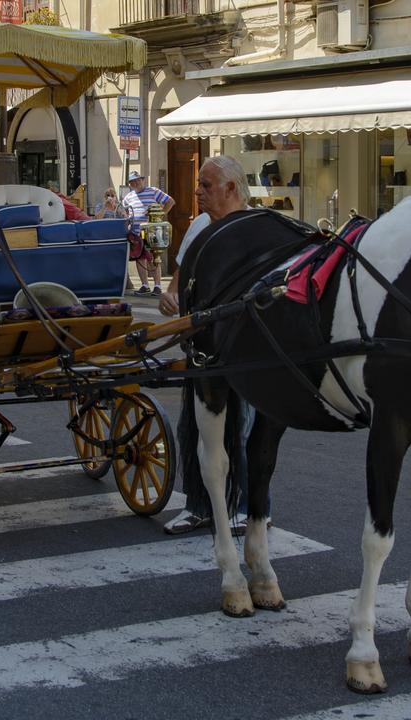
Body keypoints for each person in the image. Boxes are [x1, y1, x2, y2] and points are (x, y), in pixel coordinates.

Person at [157, 156, 266, 534]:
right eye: (199, 184)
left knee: (243, 430)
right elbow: (181, 271)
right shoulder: (199, 225)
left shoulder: (256, 228)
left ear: (231, 189)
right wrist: (170, 296)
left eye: (206, 185)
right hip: (201, 345)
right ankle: (198, 506)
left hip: (243, 347)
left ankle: (253, 509)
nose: (197, 192)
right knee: (194, 427)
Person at [122, 170, 174, 296]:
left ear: (142, 180)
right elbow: (124, 211)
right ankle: (145, 285)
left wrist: (160, 215)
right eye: (134, 181)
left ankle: (157, 285)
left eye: (138, 180)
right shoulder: (128, 197)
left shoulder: (153, 191)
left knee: (153, 258)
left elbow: (170, 201)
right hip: (135, 233)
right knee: (139, 258)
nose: (137, 182)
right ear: (130, 184)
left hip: (152, 232)